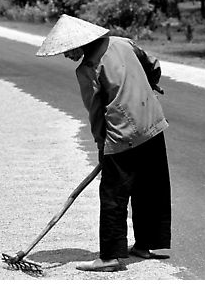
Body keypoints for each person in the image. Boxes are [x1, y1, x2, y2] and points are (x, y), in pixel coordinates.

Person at [36, 14, 171, 272]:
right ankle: (145, 245)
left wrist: (102, 148)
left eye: (67, 50)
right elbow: (152, 65)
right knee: (149, 187)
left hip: (123, 136)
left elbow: (97, 113)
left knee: (113, 195)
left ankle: (110, 257)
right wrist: (150, 85)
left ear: (79, 43)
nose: (66, 55)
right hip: (153, 124)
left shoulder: (88, 69)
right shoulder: (123, 43)